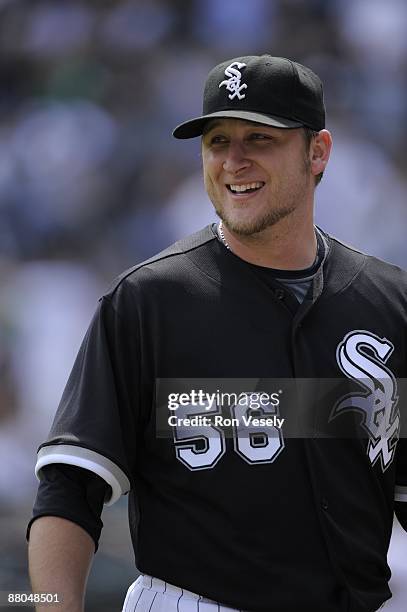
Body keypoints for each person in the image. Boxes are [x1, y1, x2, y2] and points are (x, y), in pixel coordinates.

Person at [27, 55, 407, 612]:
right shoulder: (150, 300)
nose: (234, 161)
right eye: (217, 140)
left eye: (259, 138)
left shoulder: (388, 303)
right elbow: (71, 487)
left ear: (317, 152)